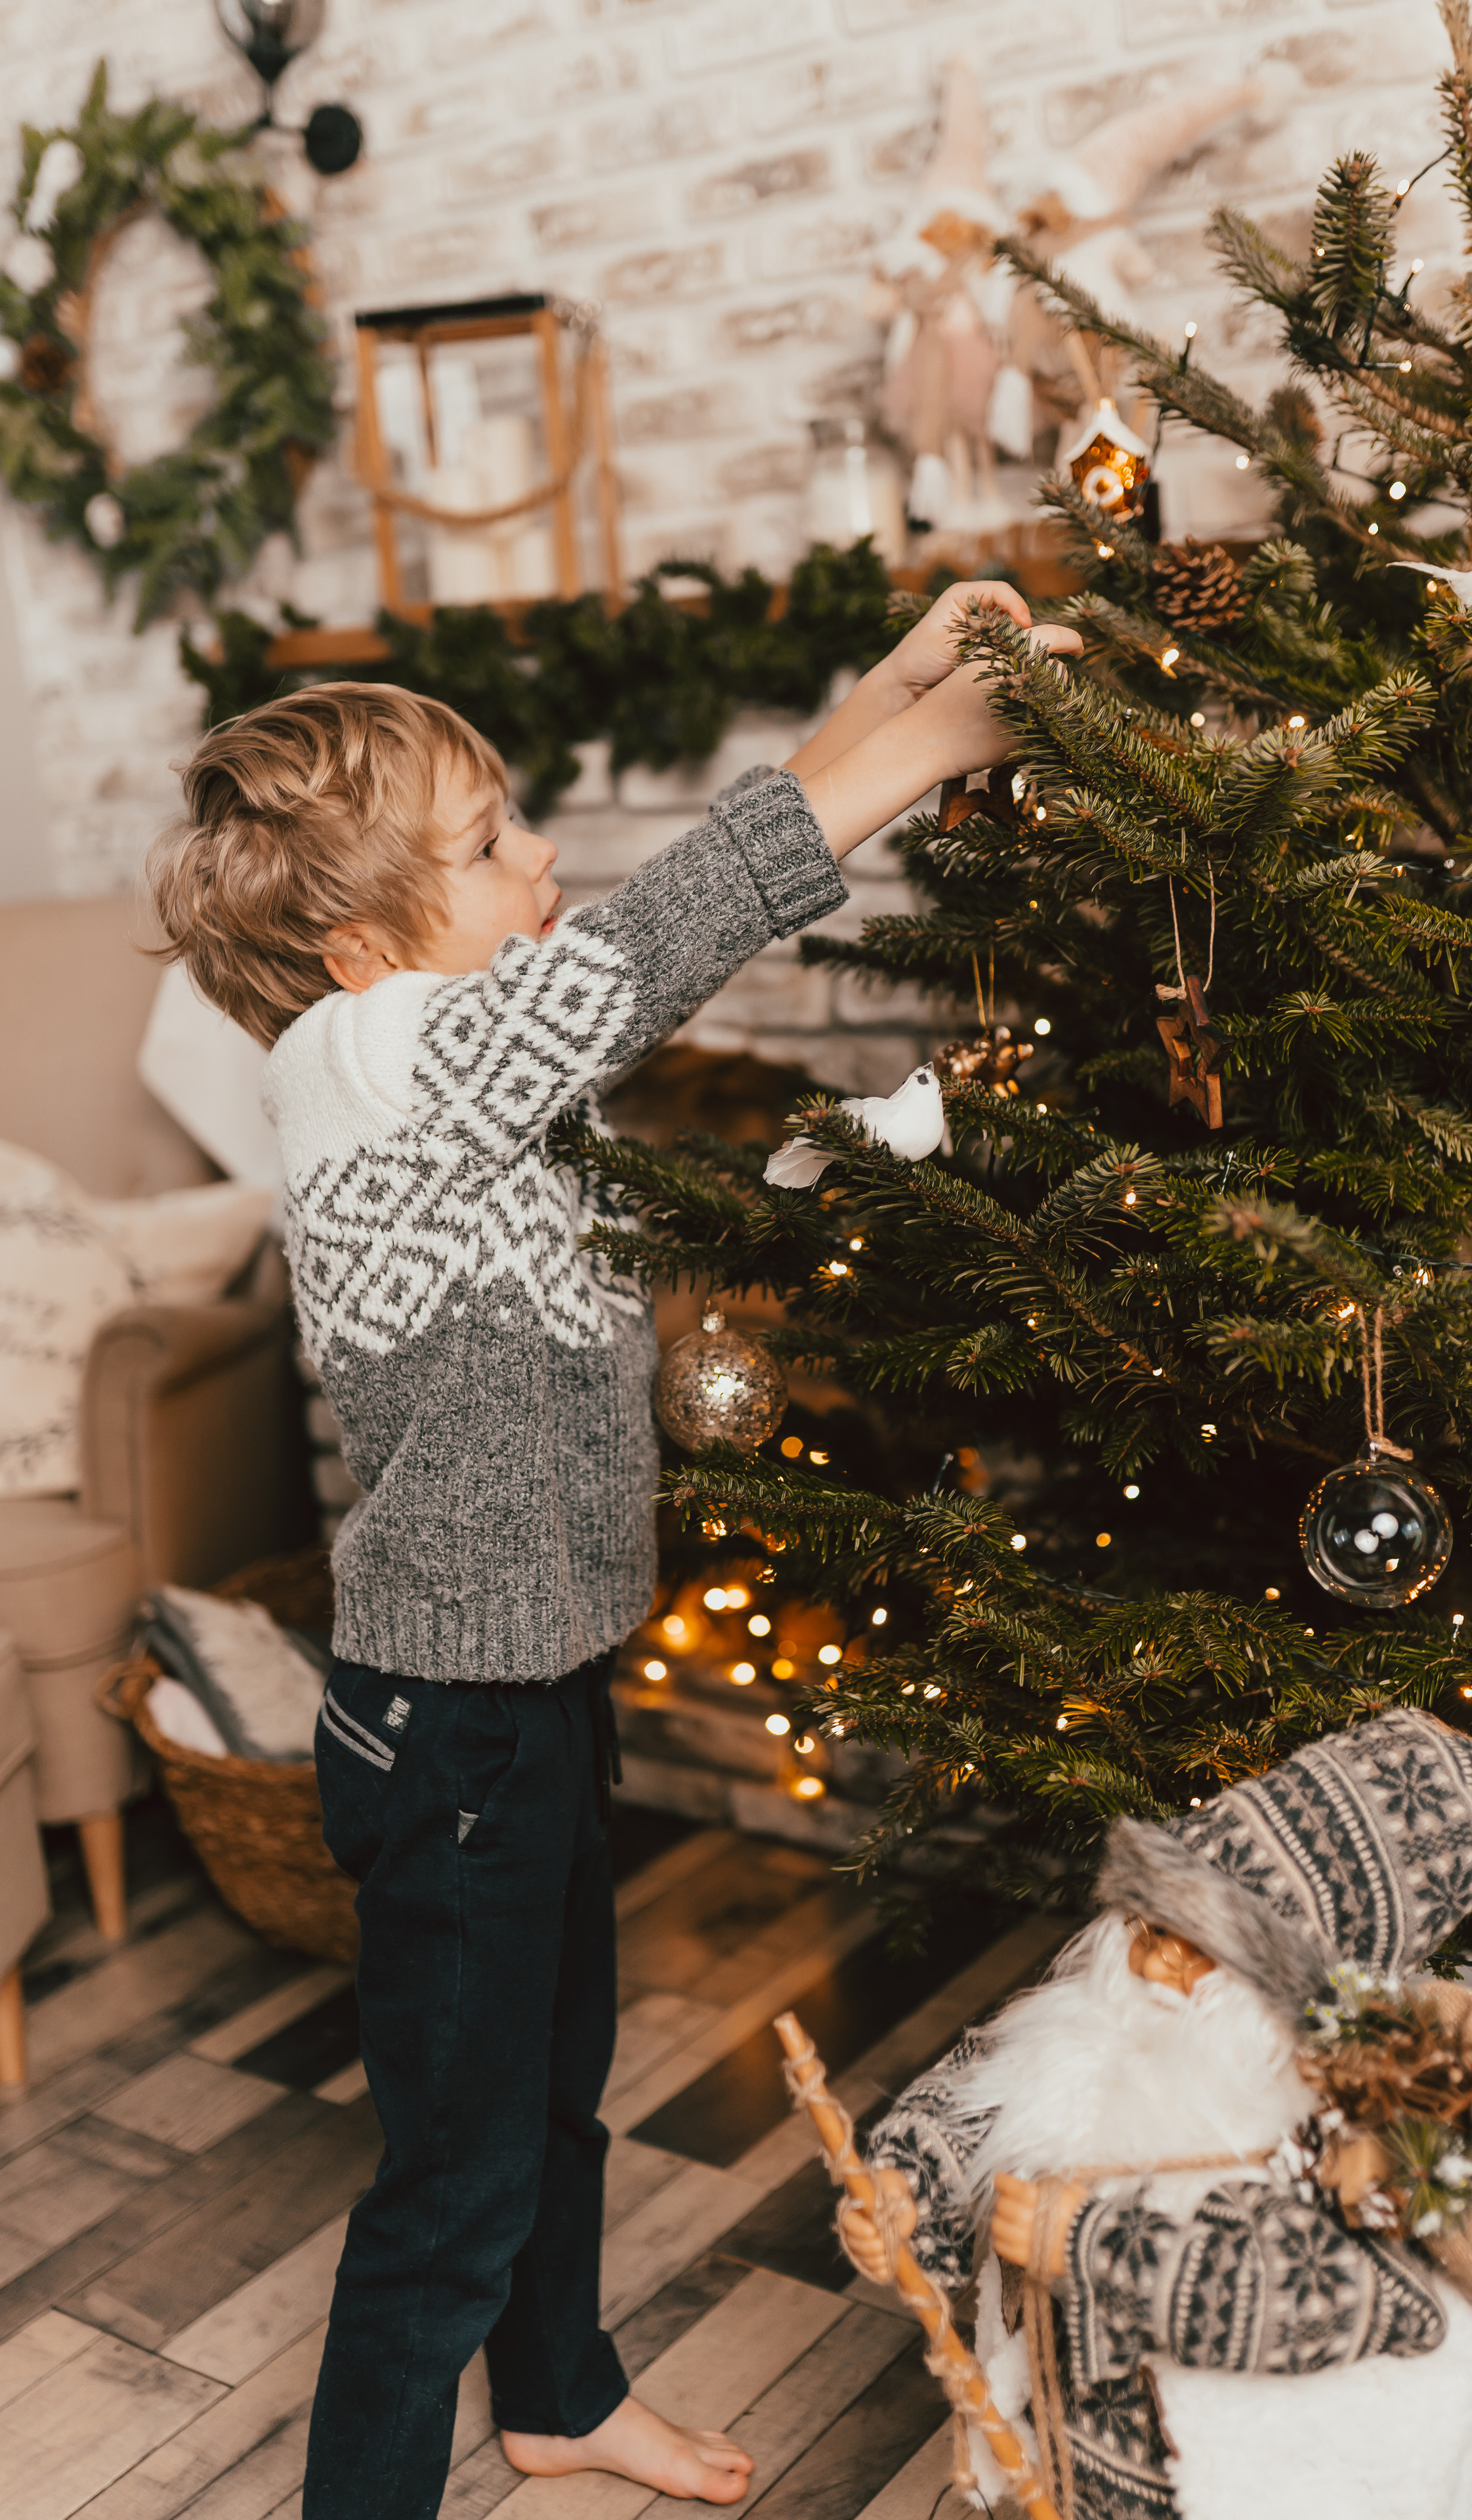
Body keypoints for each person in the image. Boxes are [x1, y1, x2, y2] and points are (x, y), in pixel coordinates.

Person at [145, 583, 1080, 2520]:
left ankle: (557, 2392)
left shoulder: (454, 1083)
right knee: (449, 2183)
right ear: (360, 945)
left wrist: (888, 689)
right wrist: (928, 749)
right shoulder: (364, 1063)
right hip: (450, 1728)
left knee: (550, 2083)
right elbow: (654, 939)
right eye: (487, 844)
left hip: (530, 1681)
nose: (542, 854)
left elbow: (617, 957)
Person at [839, 1708, 1472, 2520]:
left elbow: (1329, 2297)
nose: (1151, 1957)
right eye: (1148, 1922)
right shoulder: (1112, 2014)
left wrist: (1088, 2243)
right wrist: (909, 2188)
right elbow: (985, 2089)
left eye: (1200, 1945)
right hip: (1095, 2460)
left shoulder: (1357, 2118)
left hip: (1277, 2484)